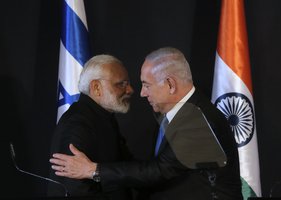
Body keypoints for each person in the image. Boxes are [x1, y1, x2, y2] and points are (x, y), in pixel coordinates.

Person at [50, 47, 243, 200]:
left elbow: (159, 170)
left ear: (170, 84)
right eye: (122, 84)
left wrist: (93, 170)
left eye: (147, 85)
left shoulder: (196, 119)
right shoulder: (181, 114)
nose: (140, 93)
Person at [47, 54, 134, 200]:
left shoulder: (103, 116)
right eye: (121, 84)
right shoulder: (77, 123)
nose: (130, 90)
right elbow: (76, 189)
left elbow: (125, 166)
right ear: (96, 87)